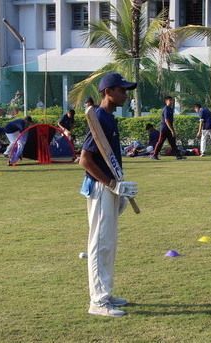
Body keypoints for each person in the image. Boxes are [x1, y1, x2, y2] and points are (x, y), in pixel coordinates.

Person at [79, 72, 139, 317]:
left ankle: (106, 293)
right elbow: (85, 160)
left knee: (109, 244)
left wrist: (119, 187)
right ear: (108, 92)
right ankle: (98, 302)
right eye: (122, 90)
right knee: (100, 244)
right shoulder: (99, 117)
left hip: (110, 187)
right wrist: (112, 184)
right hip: (100, 187)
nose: (126, 94)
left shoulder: (109, 118)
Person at [151, 96, 185, 160]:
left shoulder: (170, 109)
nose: (171, 102)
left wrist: (172, 129)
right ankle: (154, 155)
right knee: (160, 142)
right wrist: (172, 130)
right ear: (166, 101)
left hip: (169, 128)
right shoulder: (166, 108)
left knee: (172, 142)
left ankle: (178, 156)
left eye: (172, 100)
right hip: (164, 128)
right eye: (170, 100)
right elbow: (166, 120)